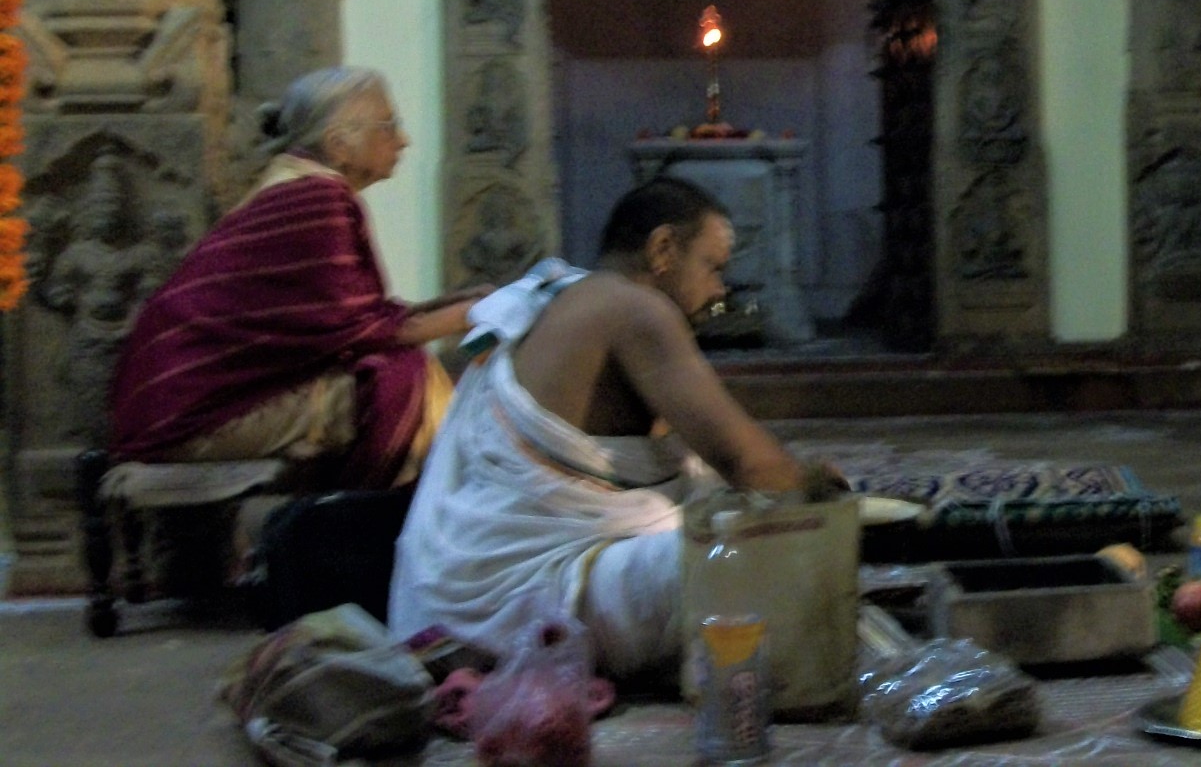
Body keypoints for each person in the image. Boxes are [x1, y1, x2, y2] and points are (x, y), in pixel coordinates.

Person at [388, 178, 835, 677]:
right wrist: (825, 498)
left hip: (454, 594)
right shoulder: (637, 309)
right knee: (755, 555)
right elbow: (746, 463)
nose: (719, 291)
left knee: (733, 526)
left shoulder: (564, 294)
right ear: (662, 249)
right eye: (713, 267)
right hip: (520, 598)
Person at [111, 67, 483, 489]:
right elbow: (359, 330)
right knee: (403, 380)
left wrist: (458, 307)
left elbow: (351, 319)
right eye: (389, 125)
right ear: (339, 144)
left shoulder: (298, 186)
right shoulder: (317, 197)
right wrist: (477, 313)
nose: (403, 140)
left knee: (403, 369)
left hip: (170, 402)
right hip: (192, 414)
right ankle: (382, 522)